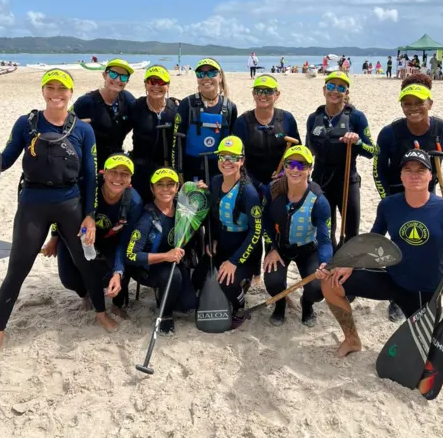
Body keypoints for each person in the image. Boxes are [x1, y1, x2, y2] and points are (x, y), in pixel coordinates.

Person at [0, 69, 114, 357]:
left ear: (71, 93)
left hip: (70, 202)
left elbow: (90, 175)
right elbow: (4, 161)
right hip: (32, 203)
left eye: (62, 89)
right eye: (51, 88)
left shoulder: (83, 130)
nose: (56, 94)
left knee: (87, 262)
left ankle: (100, 313)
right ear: (43, 91)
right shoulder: (26, 124)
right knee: (18, 269)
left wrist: (89, 215)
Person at [319, 149, 443, 357]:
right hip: (392, 279)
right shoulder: (389, 205)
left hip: (425, 292)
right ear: (401, 176)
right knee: (330, 282)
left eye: (420, 170)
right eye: (408, 170)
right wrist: (350, 262)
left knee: (425, 353)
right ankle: (352, 339)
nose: (414, 175)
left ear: (430, 176)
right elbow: (373, 239)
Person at [373, 73, 443, 321]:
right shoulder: (389, 133)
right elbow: (377, 169)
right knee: (399, 243)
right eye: (407, 103)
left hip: (426, 191)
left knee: (428, 242)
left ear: (430, 103)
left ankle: (429, 290)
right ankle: (397, 297)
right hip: (396, 191)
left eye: (419, 102)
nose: (413, 109)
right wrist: (387, 200)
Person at [42, 154, 144, 320]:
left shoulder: (134, 202)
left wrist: (118, 273)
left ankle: (117, 305)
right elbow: (61, 213)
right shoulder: (85, 187)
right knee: (69, 279)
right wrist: (54, 236)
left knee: (123, 270)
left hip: (111, 241)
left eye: (124, 174)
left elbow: (124, 243)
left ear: (130, 179)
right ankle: (85, 295)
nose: (118, 178)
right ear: (104, 173)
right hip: (76, 237)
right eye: (113, 172)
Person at [117, 168, 195, 335]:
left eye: (170, 184)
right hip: (147, 268)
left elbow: (201, 210)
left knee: (188, 304)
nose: (165, 189)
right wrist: (165, 256)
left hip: (173, 262)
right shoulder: (147, 218)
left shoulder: (183, 210)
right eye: (160, 184)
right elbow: (131, 256)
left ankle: (167, 294)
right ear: (152, 188)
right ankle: (165, 314)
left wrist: (198, 190)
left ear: (177, 187)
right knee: (173, 277)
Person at [193, 136, 262, 320]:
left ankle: (240, 304)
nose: (227, 162)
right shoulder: (215, 182)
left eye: (233, 157)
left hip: (244, 249)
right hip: (222, 243)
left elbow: (256, 232)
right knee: (197, 279)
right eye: (223, 157)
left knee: (226, 282)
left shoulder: (248, 193)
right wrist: (213, 238)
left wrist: (234, 262)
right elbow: (215, 215)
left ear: (241, 161)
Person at [262, 145, 332, 327]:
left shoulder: (319, 201)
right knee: (272, 282)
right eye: (290, 164)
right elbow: (265, 223)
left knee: (318, 289)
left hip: (308, 249)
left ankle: (306, 304)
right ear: (284, 167)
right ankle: (280, 304)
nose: (295, 169)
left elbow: (325, 240)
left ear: (310, 169)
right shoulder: (273, 190)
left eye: (301, 165)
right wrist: (273, 248)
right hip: (281, 248)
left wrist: (325, 263)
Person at [306, 71, 375, 248]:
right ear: (324, 90)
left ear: (346, 92)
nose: (334, 91)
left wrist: (357, 141)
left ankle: (348, 269)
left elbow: (372, 151)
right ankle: (329, 266)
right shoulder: (314, 118)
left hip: (347, 181)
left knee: (351, 232)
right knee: (325, 230)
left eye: (340, 87)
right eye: (330, 86)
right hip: (321, 181)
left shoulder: (356, 117)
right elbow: (308, 152)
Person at [172, 58, 237, 183]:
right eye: (201, 74)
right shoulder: (187, 104)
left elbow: (232, 143)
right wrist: (178, 171)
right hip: (191, 170)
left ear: (220, 77)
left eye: (212, 73)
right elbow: (176, 142)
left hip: (220, 172)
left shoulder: (229, 107)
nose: (206, 77)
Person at [233, 74, 301, 189]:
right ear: (253, 94)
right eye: (258, 91)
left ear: (277, 94)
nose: (263, 95)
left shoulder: (287, 119)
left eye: (268, 91)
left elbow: (298, 155)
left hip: (282, 182)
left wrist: (285, 174)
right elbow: (237, 161)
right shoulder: (242, 122)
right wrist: (257, 185)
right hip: (250, 183)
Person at [73, 59, 136, 170]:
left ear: (127, 81)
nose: (117, 80)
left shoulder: (127, 99)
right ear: (104, 75)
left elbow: (146, 108)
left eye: (123, 77)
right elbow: (64, 122)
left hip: (115, 162)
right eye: (113, 74)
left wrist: (171, 104)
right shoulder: (86, 102)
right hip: (89, 163)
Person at [130, 65, 180, 203]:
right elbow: (116, 132)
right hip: (141, 171)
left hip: (168, 171)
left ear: (168, 86)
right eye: (152, 82)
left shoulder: (176, 109)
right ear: (146, 85)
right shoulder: (136, 107)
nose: (156, 86)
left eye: (161, 82)